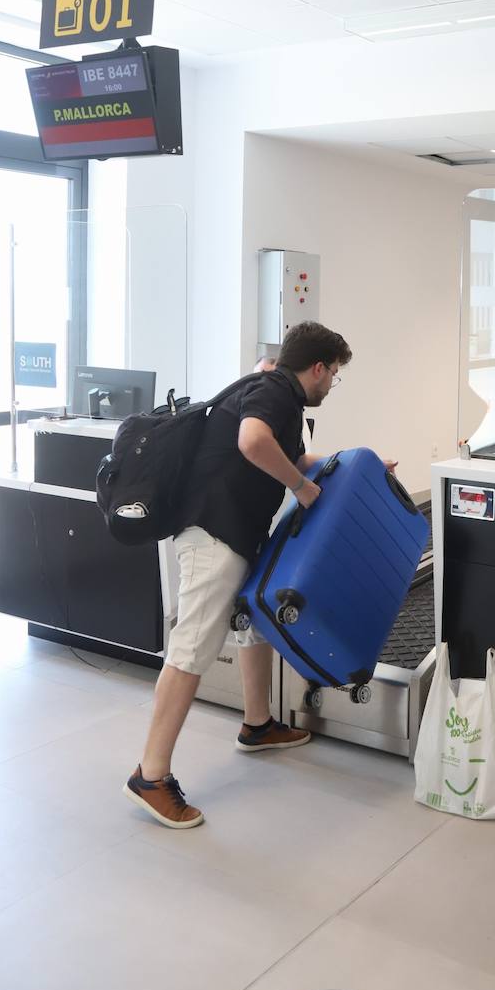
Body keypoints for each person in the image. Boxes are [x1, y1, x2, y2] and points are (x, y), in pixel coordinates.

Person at [125, 321, 366, 829]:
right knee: (192, 647)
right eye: (334, 376)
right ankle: (151, 775)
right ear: (317, 368)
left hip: (236, 532)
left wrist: (354, 468)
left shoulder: (271, 388)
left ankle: (257, 724)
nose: (331, 386)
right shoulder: (276, 393)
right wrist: (301, 488)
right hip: (214, 534)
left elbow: (292, 455)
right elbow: (253, 441)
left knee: (252, 620)